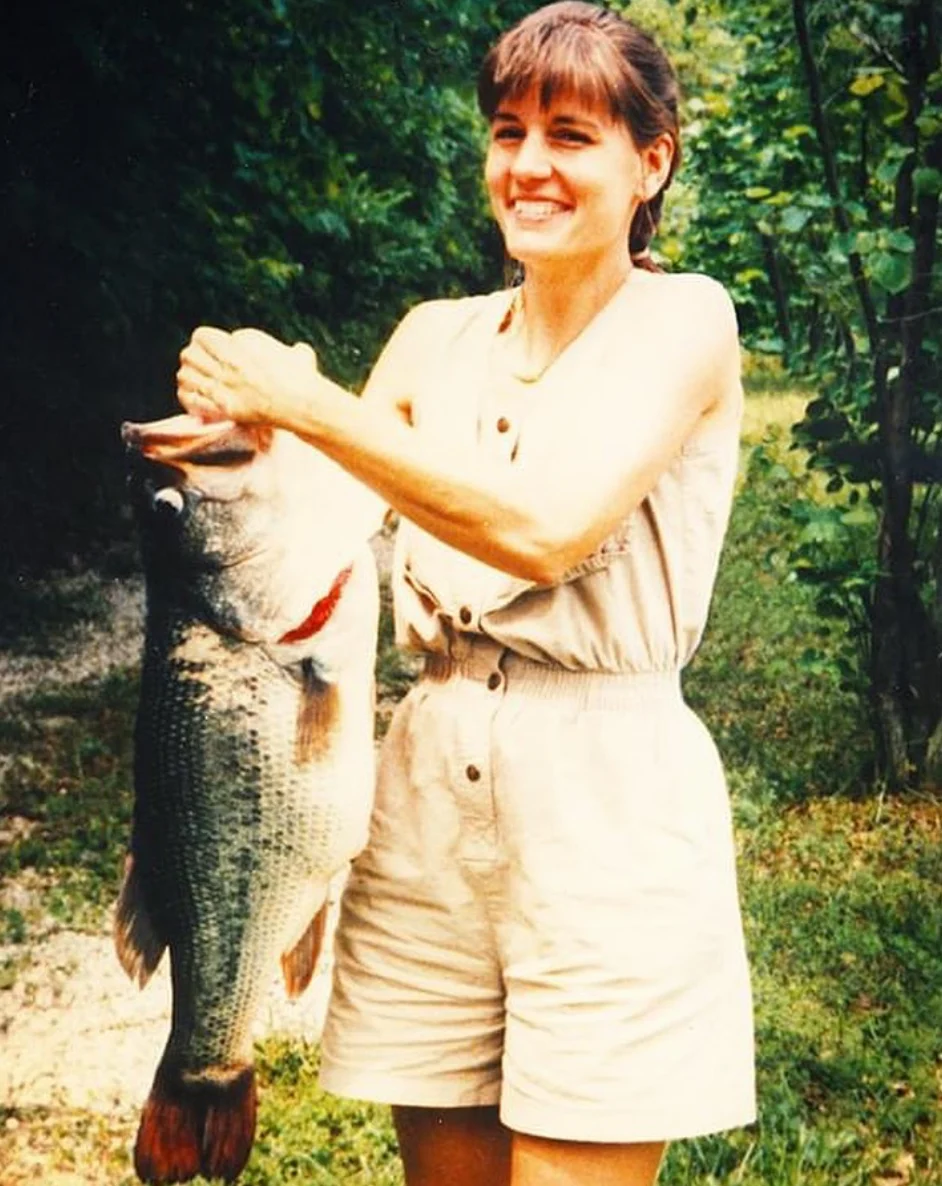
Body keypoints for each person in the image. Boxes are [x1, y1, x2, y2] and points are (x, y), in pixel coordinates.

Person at [176, 3, 756, 1182]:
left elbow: (544, 528)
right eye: (508, 129)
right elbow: (313, 517)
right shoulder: (434, 337)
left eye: (572, 135)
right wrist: (235, 431)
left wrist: (303, 397)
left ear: (652, 162)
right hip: (424, 790)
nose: (529, 165)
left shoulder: (686, 321)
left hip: (607, 798)